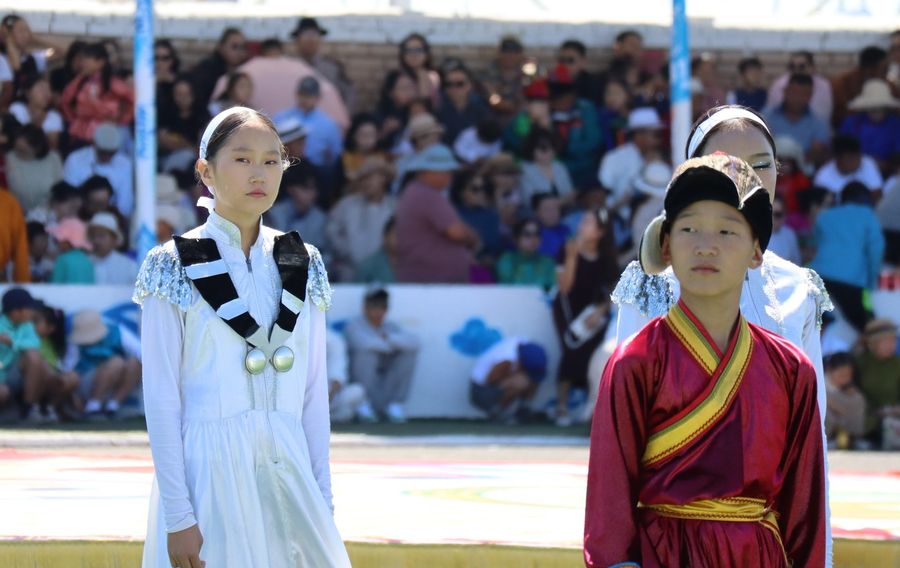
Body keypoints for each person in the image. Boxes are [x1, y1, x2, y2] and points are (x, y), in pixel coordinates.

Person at [611, 106, 835, 563]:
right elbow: (620, 437)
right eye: (724, 162)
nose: (746, 176)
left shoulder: (799, 288)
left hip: (761, 544)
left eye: (762, 164)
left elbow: (812, 442)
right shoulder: (652, 281)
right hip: (667, 543)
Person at [134, 107, 351, 567]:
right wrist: (178, 515)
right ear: (205, 171)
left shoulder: (302, 260)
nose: (259, 173)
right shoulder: (172, 263)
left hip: (291, 472)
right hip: (209, 478)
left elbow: (313, 394)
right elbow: (161, 397)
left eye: (272, 161)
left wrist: (323, 500)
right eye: (242, 159)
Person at [395, 144, 478, 283]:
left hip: (426, 279)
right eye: (446, 171)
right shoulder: (427, 195)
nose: (450, 177)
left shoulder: (414, 192)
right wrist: (473, 238)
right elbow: (456, 232)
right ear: (428, 172)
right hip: (433, 282)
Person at [811, 178, 884, 334]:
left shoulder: (824, 216)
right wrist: (872, 281)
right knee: (870, 329)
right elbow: (876, 249)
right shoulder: (868, 215)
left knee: (823, 326)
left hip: (818, 276)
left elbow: (815, 245)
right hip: (850, 281)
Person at [344, 288, 420, 423]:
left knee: (408, 355)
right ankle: (363, 405)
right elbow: (365, 344)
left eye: (383, 306)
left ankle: (394, 406)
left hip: (386, 385)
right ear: (365, 308)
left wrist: (389, 338)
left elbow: (415, 343)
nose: (378, 311)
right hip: (360, 388)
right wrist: (391, 344)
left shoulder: (390, 327)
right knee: (367, 355)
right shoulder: (354, 325)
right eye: (374, 306)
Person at [326, 157, 395, 282]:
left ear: (383, 178)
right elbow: (331, 232)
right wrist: (348, 251)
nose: (365, 182)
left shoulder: (395, 207)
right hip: (349, 273)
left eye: (370, 177)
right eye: (362, 178)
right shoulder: (346, 205)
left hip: (385, 274)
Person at [69, 309, 141, 421]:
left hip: (117, 380)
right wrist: (73, 394)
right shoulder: (74, 344)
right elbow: (69, 368)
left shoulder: (117, 332)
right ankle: (93, 405)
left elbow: (140, 353)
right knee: (116, 362)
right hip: (87, 381)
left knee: (135, 362)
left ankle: (113, 405)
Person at [59, 42, 134, 149]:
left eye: (87, 59)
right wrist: (74, 120)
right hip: (81, 134)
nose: (83, 63)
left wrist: (121, 121)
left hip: (107, 133)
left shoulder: (113, 83)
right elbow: (65, 101)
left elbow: (132, 100)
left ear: (101, 62)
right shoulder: (78, 82)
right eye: (83, 59)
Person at [598, 107, 664, 216]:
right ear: (639, 134)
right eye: (655, 135)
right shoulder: (614, 158)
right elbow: (604, 193)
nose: (658, 140)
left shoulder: (659, 158)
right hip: (620, 217)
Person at [0, 288, 51, 422]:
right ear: (16, 311)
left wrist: (11, 341)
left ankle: (28, 407)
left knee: (38, 360)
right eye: (29, 308)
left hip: (17, 376)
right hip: (2, 377)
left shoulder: (27, 325)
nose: (33, 312)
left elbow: (34, 344)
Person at [546, 64, 601, 189]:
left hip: (583, 169)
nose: (560, 101)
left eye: (564, 96)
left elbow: (594, 140)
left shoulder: (585, 109)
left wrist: (567, 148)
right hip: (550, 168)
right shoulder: (545, 109)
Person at [63, 123, 134, 217]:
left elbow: (125, 202)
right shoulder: (75, 159)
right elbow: (69, 196)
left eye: (111, 153)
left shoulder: (125, 164)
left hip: (111, 216)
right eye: (103, 152)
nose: (107, 156)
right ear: (94, 145)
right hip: (80, 214)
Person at [273, 76, 343, 171]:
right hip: (284, 168)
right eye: (302, 94)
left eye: (309, 96)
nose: (305, 99)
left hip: (315, 171)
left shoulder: (329, 124)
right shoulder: (281, 117)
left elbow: (335, 154)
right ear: (296, 94)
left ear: (318, 97)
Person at [469, 336, 546, 421]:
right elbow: (490, 380)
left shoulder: (524, 345)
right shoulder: (507, 359)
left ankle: (524, 408)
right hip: (480, 390)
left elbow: (535, 377)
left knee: (531, 378)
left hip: (493, 383)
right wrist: (513, 373)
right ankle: (495, 413)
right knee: (521, 382)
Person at [264, 161, 329, 257]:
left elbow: (323, 251)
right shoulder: (275, 213)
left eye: (314, 188)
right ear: (291, 189)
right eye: (305, 188)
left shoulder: (320, 217)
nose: (312, 193)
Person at [291, 17, 356, 111]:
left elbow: (349, 94)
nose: (310, 40)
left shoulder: (332, 68)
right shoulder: (290, 67)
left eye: (314, 36)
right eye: (306, 36)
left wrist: (341, 116)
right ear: (297, 41)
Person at [764, 74, 831, 165]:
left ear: (810, 96)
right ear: (785, 92)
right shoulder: (767, 116)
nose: (797, 98)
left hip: (802, 169)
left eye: (803, 95)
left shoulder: (818, 123)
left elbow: (817, 153)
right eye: (794, 93)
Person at [856, 319, 900, 447]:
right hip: (868, 417)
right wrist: (876, 411)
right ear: (872, 343)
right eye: (886, 340)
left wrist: (893, 410)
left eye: (893, 340)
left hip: (894, 416)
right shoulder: (860, 363)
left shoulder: (897, 364)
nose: (891, 344)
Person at [839, 79, 900, 170]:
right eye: (872, 107)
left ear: (886, 107)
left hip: (887, 172)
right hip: (852, 170)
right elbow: (841, 153)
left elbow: (897, 159)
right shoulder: (851, 123)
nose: (876, 110)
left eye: (879, 107)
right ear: (866, 107)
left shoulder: (896, 125)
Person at [5, 124, 63, 213]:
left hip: (48, 213)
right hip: (17, 214)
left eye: (23, 150)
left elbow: (59, 188)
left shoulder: (53, 159)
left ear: (37, 148)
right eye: (17, 148)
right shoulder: (8, 159)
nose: (18, 153)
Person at [158, 76, 211, 173]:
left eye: (187, 94)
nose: (183, 98)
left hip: (197, 162)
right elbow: (163, 140)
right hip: (167, 159)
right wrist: (186, 145)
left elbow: (203, 145)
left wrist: (184, 144)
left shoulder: (203, 115)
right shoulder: (165, 114)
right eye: (179, 94)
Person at [831, 45, 892, 128]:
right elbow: (839, 115)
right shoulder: (841, 85)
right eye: (884, 69)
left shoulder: (886, 85)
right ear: (869, 69)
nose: (886, 74)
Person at [766, 50, 834, 123]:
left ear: (812, 68)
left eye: (801, 66)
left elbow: (823, 116)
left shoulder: (823, 86)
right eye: (792, 66)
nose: (796, 70)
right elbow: (772, 113)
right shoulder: (779, 84)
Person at [435, 59, 489, 147]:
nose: (454, 88)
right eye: (449, 84)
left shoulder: (481, 110)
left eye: (459, 84)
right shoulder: (438, 109)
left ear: (470, 85)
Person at [190, 28, 247, 106]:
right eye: (234, 47)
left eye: (242, 47)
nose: (239, 52)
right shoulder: (207, 69)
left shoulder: (245, 70)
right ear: (221, 47)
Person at [479, 36, 529, 125]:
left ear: (520, 54)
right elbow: (493, 99)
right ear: (499, 53)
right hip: (494, 119)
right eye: (506, 52)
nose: (510, 56)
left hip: (521, 120)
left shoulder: (528, 72)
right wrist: (508, 105)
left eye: (515, 52)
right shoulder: (488, 73)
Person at [520, 126, 574, 207]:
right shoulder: (525, 171)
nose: (549, 152)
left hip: (566, 209)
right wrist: (561, 202)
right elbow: (529, 201)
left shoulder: (559, 166)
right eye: (543, 149)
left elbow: (570, 194)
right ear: (531, 150)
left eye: (552, 148)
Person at [813, 134, 883, 196]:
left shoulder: (868, 162)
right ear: (837, 159)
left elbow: (877, 193)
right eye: (850, 158)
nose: (857, 162)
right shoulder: (822, 178)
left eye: (858, 157)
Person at [496, 218, 556, 291]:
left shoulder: (547, 261)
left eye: (537, 234)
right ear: (515, 239)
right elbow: (508, 288)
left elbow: (552, 289)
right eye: (527, 235)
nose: (533, 239)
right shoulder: (507, 260)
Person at [824, 351, 867, 449]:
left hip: (842, 419)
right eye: (841, 374)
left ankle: (854, 437)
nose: (845, 378)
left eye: (848, 374)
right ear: (829, 370)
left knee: (857, 398)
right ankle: (828, 439)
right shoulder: (822, 382)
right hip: (830, 415)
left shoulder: (848, 387)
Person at [325, 326, 367, 423]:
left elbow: (337, 375)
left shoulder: (332, 339)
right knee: (346, 413)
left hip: (327, 397)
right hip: (299, 396)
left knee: (357, 391)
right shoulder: (296, 335)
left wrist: (327, 398)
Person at [9, 76, 64, 149]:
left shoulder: (54, 116)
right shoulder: (17, 108)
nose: (46, 94)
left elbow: (52, 147)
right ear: (28, 93)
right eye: (41, 89)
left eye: (48, 89)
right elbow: (14, 138)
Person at [88, 211, 137, 286]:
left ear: (114, 239)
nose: (96, 240)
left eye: (101, 236)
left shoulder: (129, 266)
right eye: (93, 236)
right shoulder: (85, 263)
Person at [395, 33, 440, 106]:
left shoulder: (434, 77)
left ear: (426, 53)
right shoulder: (395, 77)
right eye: (409, 50)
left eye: (418, 50)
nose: (414, 54)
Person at [47, 217, 94, 284]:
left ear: (67, 242)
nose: (57, 243)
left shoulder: (62, 260)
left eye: (57, 240)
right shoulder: (88, 261)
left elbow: (55, 285)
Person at [556, 39, 602, 104]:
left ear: (583, 62)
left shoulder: (593, 84)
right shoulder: (553, 83)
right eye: (562, 60)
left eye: (570, 60)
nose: (565, 65)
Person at [354, 217, 398, 284]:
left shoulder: (413, 266)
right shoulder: (368, 267)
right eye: (397, 234)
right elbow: (356, 289)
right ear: (385, 236)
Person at [533, 193, 569, 260]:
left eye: (556, 208)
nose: (553, 213)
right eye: (547, 209)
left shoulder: (566, 230)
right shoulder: (531, 232)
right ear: (536, 212)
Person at [768, 194, 802, 265]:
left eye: (777, 214)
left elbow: (796, 262)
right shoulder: (755, 234)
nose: (772, 218)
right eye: (769, 213)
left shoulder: (789, 235)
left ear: (785, 215)